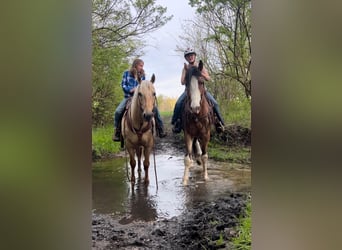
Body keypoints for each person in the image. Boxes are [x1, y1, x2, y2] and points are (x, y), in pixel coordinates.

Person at [171, 48, 225, 133]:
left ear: (194, 56)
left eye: (191, 55)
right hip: (189, 91)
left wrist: (198, 71)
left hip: (201, 91)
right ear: (186, 58)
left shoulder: (200, 66)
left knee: (215, 103)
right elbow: (182, 82)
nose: (190, 57)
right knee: (178, 103)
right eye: (188, 56)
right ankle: (176, 122)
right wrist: (189, 73)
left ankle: (220, 122)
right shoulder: (185, 68)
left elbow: (208, 78)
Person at [112, 58, 167, 141]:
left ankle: (160, 128)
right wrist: (131, 90)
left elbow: (144, 87)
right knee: (118, 111)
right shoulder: (126, 73)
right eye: (140, 65)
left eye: (142, 66)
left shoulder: (143, 75)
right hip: (128, 97)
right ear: (135, 65)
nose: (142, 67)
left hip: (140, 98)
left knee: (154, 108)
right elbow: (123, 85)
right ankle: (117, 131)